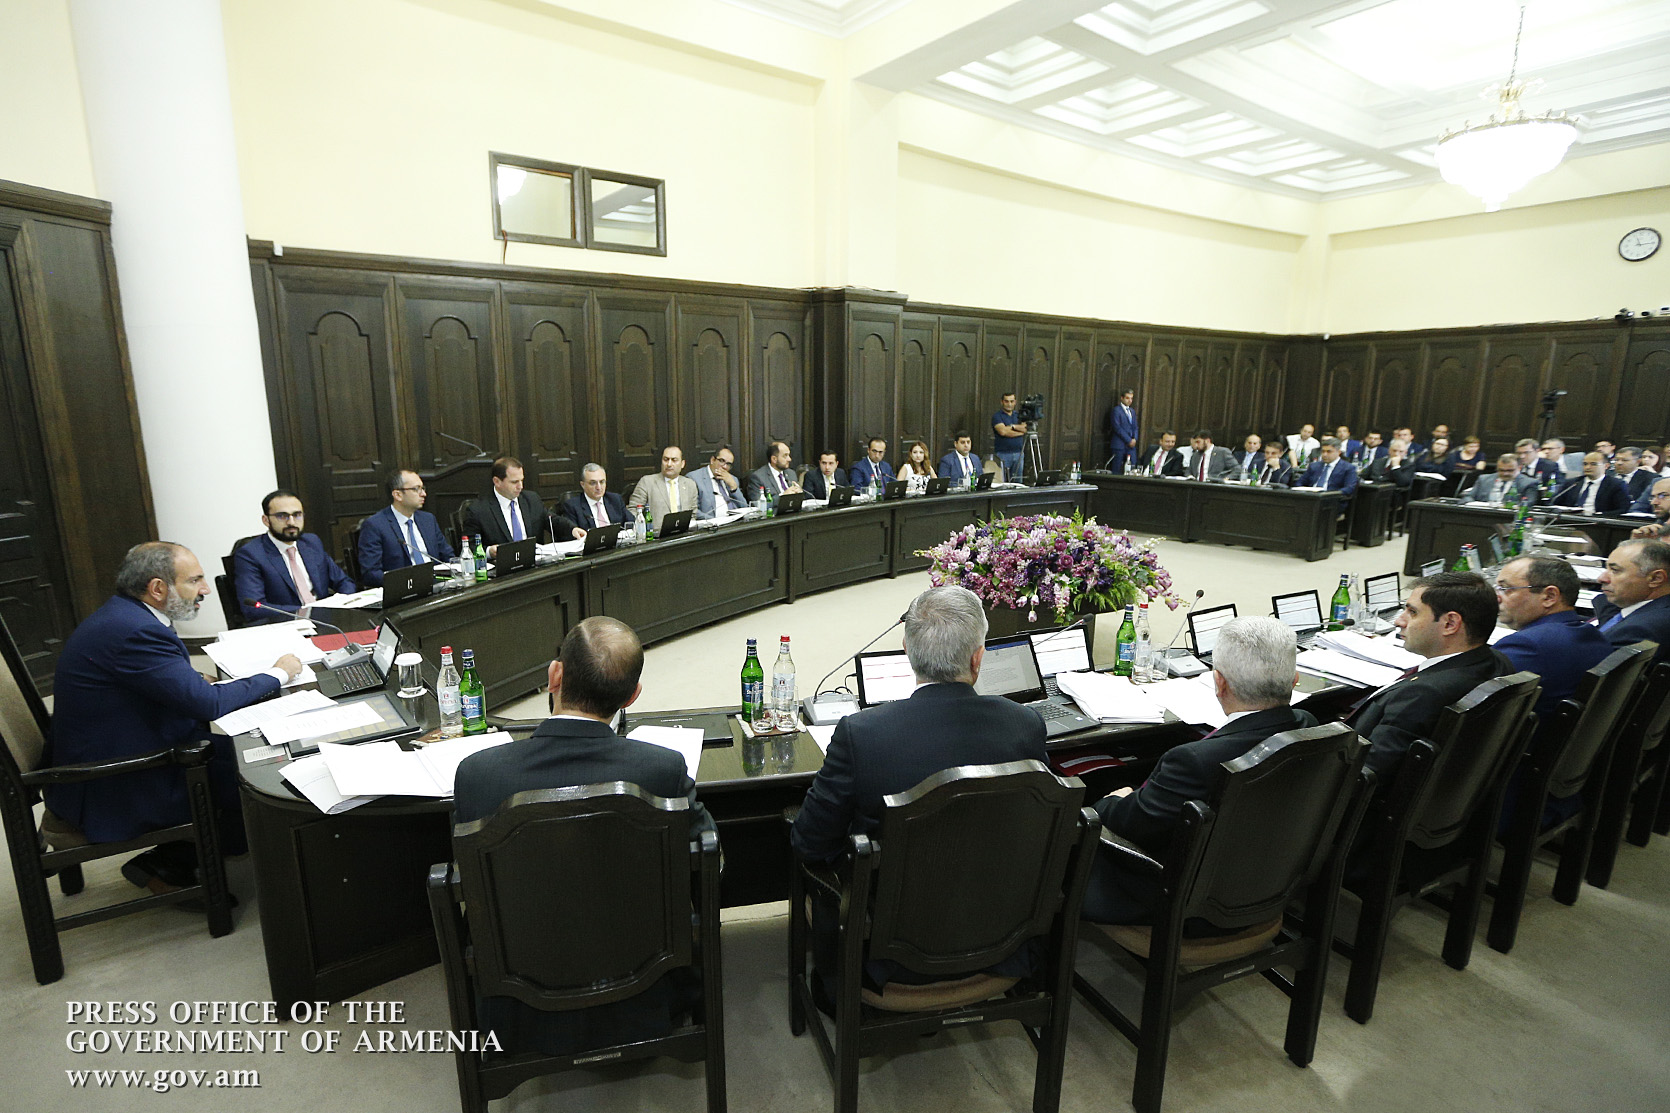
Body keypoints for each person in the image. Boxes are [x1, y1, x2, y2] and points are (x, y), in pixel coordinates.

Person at [453, 616, 710, 1055]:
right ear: (632, 696)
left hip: (521, 1007)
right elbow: (708, 861)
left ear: (554, 675)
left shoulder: (479, 775)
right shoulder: (662, 769)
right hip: (647, 995)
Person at [790, 585, 1047, 996]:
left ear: (907, 652)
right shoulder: (1025, 725)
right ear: (978, 658)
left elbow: (810, 843)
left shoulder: (862, 734)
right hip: (999, 937)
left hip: (890, 957)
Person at [42, 543, 303, 894]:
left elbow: (151, 680)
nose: (206, 589)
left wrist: (192, 681)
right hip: (116, 779)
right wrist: (278, 674)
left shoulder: (128, 615)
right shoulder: (136, 631)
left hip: (120, 747)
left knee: (254, 753)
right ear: (158, 588)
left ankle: (177, 857)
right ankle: (169, 863)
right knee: (258, 777)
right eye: (195, 580)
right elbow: (207, 705)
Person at [1081, 617, 1313, 925]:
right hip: (1274, 885)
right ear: (1294, 679)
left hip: (1184, 908)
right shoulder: (1309, 727)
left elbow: (1131, 825)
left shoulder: (1193, 762)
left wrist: (1112, 801)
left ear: (1220, 682)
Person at [1349, 572, 1513, 779]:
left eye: (1413, 612)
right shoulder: (1498, 662)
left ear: (1450, 624)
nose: (1399, 621)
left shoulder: (1421, 694)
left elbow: (1366, 774)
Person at [1494, 556, 1614, 718]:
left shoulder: (1526, 646)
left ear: (1549, 597)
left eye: (1505, 588)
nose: (1496, 597)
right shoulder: (1591, 634)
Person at [231, 489, 356, 623]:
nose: (291, 522)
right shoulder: (250, 554)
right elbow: (254, 608)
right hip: (285, 624)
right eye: (282, 516)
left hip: (327, 620)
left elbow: (344, 582)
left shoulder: (311, 542)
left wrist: (342, 602)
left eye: (297, 515)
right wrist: (308, 611)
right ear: (266, 520)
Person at [463, 456, 581, 555]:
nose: (520, 486)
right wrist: (489, 551)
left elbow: (551, 520)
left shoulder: (531, 499)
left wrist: (572, 529)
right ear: (497, 481)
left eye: (521, 480)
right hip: (502, 569)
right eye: (514, 482)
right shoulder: (478, 510)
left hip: (535, 565)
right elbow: (468, 547)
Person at [358, 467, 456, 585]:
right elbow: (371, 573)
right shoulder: (375, 525)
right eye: (416, 489)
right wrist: (408, 583)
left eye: (423, 488)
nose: (423, 494)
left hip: (439, 585)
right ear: (398, 495)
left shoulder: (428, 520)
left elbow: (447, 556)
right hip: (405, 590)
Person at [1593, 540, 1670, 663]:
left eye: (1615, 570)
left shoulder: (1639, 630)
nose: (1601, 578)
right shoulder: (1655, 610)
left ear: (1655, 579)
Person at [628, 445, 701, 530]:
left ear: (682, 464)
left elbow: (693, 514)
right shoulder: (647, 482)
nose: (669, 464)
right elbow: (633, 511)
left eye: (674, 460)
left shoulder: (690, 484)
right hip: (656, 535)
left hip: (684, 533)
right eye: (666, 460)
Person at [1550, 452, 1630, 515]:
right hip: (1571, 519)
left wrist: (1599, 515)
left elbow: (1623, 509)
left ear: (1606, 466)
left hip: (1598, 522)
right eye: (1585, 464)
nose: (1588, 467)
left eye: (1593, 464)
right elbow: (1555, 501)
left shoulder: (1616, 484)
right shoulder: (1573, 482)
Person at [562, 463, 630, 530]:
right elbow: (572, 533)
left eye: (602, 482)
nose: (598, 487)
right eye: (593, 483)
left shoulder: (615, 499)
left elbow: (630, 522)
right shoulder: (572, 506)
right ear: (583, 485)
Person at [1294, 436, 1359, 498]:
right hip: (1311, 497)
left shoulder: (1348, 468)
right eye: (1323, 451)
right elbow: (1299, 482)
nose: (1325, 455)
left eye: (1329, 452)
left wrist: (1329, 495)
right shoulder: (1314, 466)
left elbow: (1349, 488)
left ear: (1339, 452)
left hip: (1332, 499)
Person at [691, 446, 746, 518]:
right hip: (712, 522)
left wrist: (734, 487)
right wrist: (714, 521)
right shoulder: (694, 478)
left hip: (735, 521)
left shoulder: (733, 479)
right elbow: (693, 510)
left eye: (728, 464)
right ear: (712, 460)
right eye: (722, 461)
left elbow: (744, 507)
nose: (725, 467)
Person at [1469, 454, 1538, 505]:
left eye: (1510, 470)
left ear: (1519, 468)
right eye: (1501, 470)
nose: (1505, 473)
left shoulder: (1529, 483)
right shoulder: (1483, 479)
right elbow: (1468, 497)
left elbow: (1528, 503)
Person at [992, 392, 1027, 480]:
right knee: (1001, 481)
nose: (1009, 404)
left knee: (1017, 481)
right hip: (1003, 454)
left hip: (1019, 453)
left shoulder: (1019, 415)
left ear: (1015, 402)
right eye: (1006, 401)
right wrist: (1020, 432)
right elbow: (1003, 432)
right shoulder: (997, 416)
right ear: (1002, 402)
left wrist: (1012, 426)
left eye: (1011, 401)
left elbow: (1026, 429)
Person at [1108, 388, 1138, 474]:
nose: (1130, 400)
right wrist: (1128, 440)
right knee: (1117, 469)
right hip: (1119, 445)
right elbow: (1117, 428)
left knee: (1133, 468)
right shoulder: (1116, 410)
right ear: (1122, 398)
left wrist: (1134, 439)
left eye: (1131, 398)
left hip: (1131, 446)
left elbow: (1135, 427)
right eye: (1127, 398)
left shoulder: (1132, 411)